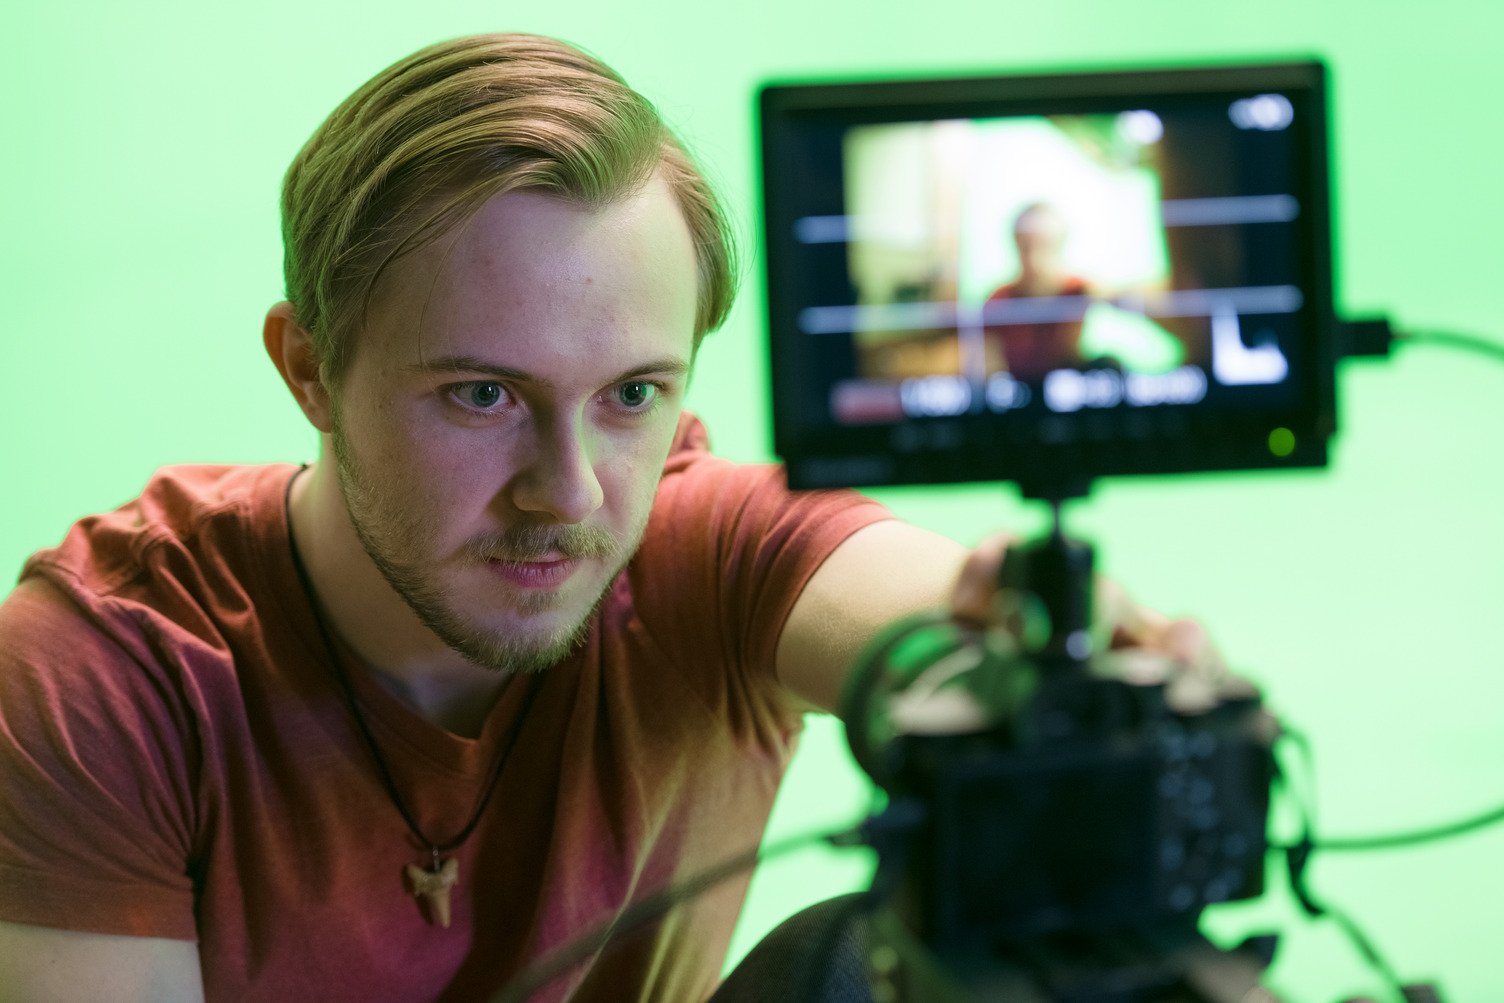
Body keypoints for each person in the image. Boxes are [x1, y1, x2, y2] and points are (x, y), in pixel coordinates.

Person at [0, 33, 1219, 1002]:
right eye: (481, 395)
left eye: (632, 395)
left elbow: (921, 624)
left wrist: (1052, 668)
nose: (570, 493)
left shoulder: (700, 549)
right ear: (309, 368)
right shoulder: (107, 670)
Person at [982, 201, 1093, 382]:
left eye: (1043, 246)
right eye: (1026, 247)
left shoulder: (1079, 291)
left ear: (1059, 246)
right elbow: (989, 371)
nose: (1034, 259)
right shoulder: (998, 302)